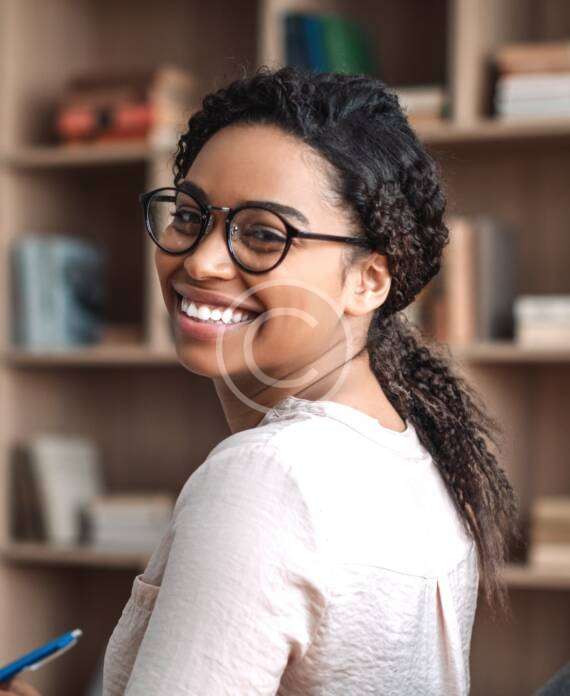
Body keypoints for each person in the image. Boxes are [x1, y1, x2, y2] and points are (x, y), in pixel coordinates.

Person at [16, 65, 521, 695]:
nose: (202, 261)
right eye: (189, 215)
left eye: (263, 234)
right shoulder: (411, 455)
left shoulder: (268, 477)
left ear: (368, 280)